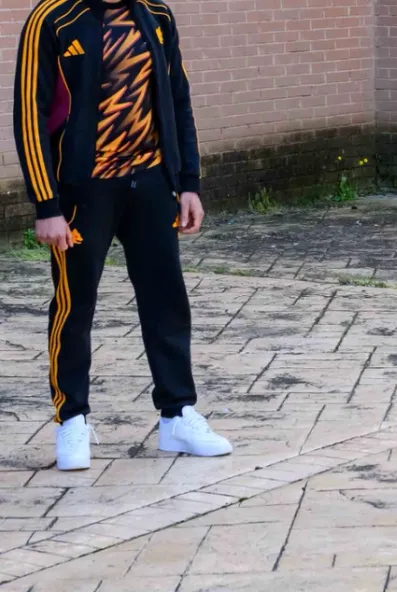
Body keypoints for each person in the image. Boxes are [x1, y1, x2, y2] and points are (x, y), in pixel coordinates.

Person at [13, 0, 232, 471]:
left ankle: (176, 415)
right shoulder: (52, 18)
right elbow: (28, 113)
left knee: (166, 300)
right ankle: (71, 419)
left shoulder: (157, 15)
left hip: (151, 184)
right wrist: (46, 204)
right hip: (82, 191)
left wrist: (188, 182)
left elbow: (177, 99)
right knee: (75, 304)